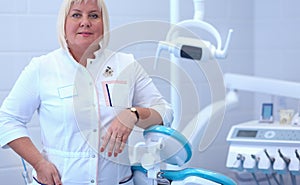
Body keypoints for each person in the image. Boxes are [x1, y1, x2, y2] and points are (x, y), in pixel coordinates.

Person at [0, 0, 173, 184]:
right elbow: (7, 120)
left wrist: (133, 114)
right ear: (63, 23)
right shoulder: (42, 67)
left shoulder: (126, 64)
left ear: (103, 22)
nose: (85, 22)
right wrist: (39, 163)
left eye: (93, 15)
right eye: (76, 15)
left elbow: (165, 113)